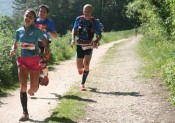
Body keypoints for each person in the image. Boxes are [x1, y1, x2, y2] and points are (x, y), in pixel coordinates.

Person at [9, 9, 49, 121]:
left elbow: (46, 44)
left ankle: (38, 81)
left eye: (31, 16)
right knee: (23, 86)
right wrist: (12, 50)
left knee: (33, 90)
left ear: (33, 20)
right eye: (27, 15)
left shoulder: (36, 31)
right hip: (22, 61)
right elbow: (15, 44)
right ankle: (25, 113)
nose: (28, 17)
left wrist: (45, 57)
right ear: (24, 16)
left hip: (35, 61)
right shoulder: (19, 31)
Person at [71, 4, 102, 91]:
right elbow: (74, 30)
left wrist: (96, 41)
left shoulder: (94, 22)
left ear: (91, 12)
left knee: (87, 64)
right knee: (79, 67)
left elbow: (99, 35)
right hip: (80, 44)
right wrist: (73, 39)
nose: (86, 13)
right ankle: (81, 68)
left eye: (88, 11)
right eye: (85, 11)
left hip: (89, 44)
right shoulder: (78, 19)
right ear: (83, 11)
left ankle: (82, 84)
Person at [34, 5, 57, 86]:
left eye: (44, 12)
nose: (42, 13)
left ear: (47, 13)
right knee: (34, 64)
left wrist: (46, 31)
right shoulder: (34, 21)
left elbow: (55, 36)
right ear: (38, 12)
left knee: (43, 64)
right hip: (34, 44)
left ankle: (45, 76)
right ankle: (37, 80)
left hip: (45, 45)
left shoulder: (49, 22)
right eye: (40, 11)